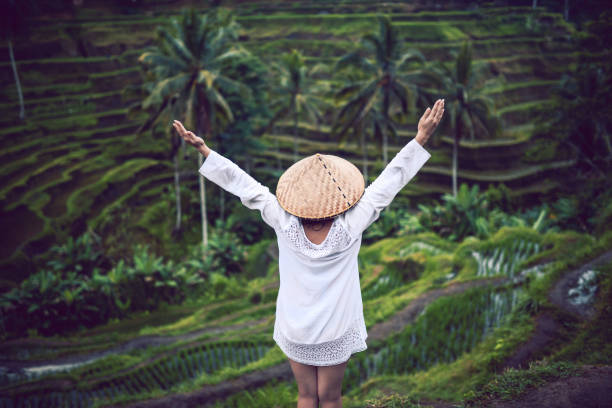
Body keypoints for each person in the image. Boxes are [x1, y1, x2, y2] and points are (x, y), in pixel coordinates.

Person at [173, 98, 444, 408]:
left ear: (295, 199)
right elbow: (387, 184)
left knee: (305, 397)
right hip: (335, 329)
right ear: (340, 197)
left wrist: (204, 151)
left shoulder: (283, 222)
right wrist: (421, 137)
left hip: (296, 328)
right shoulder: (350, 225)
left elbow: (245, 186)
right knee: (330, 398)